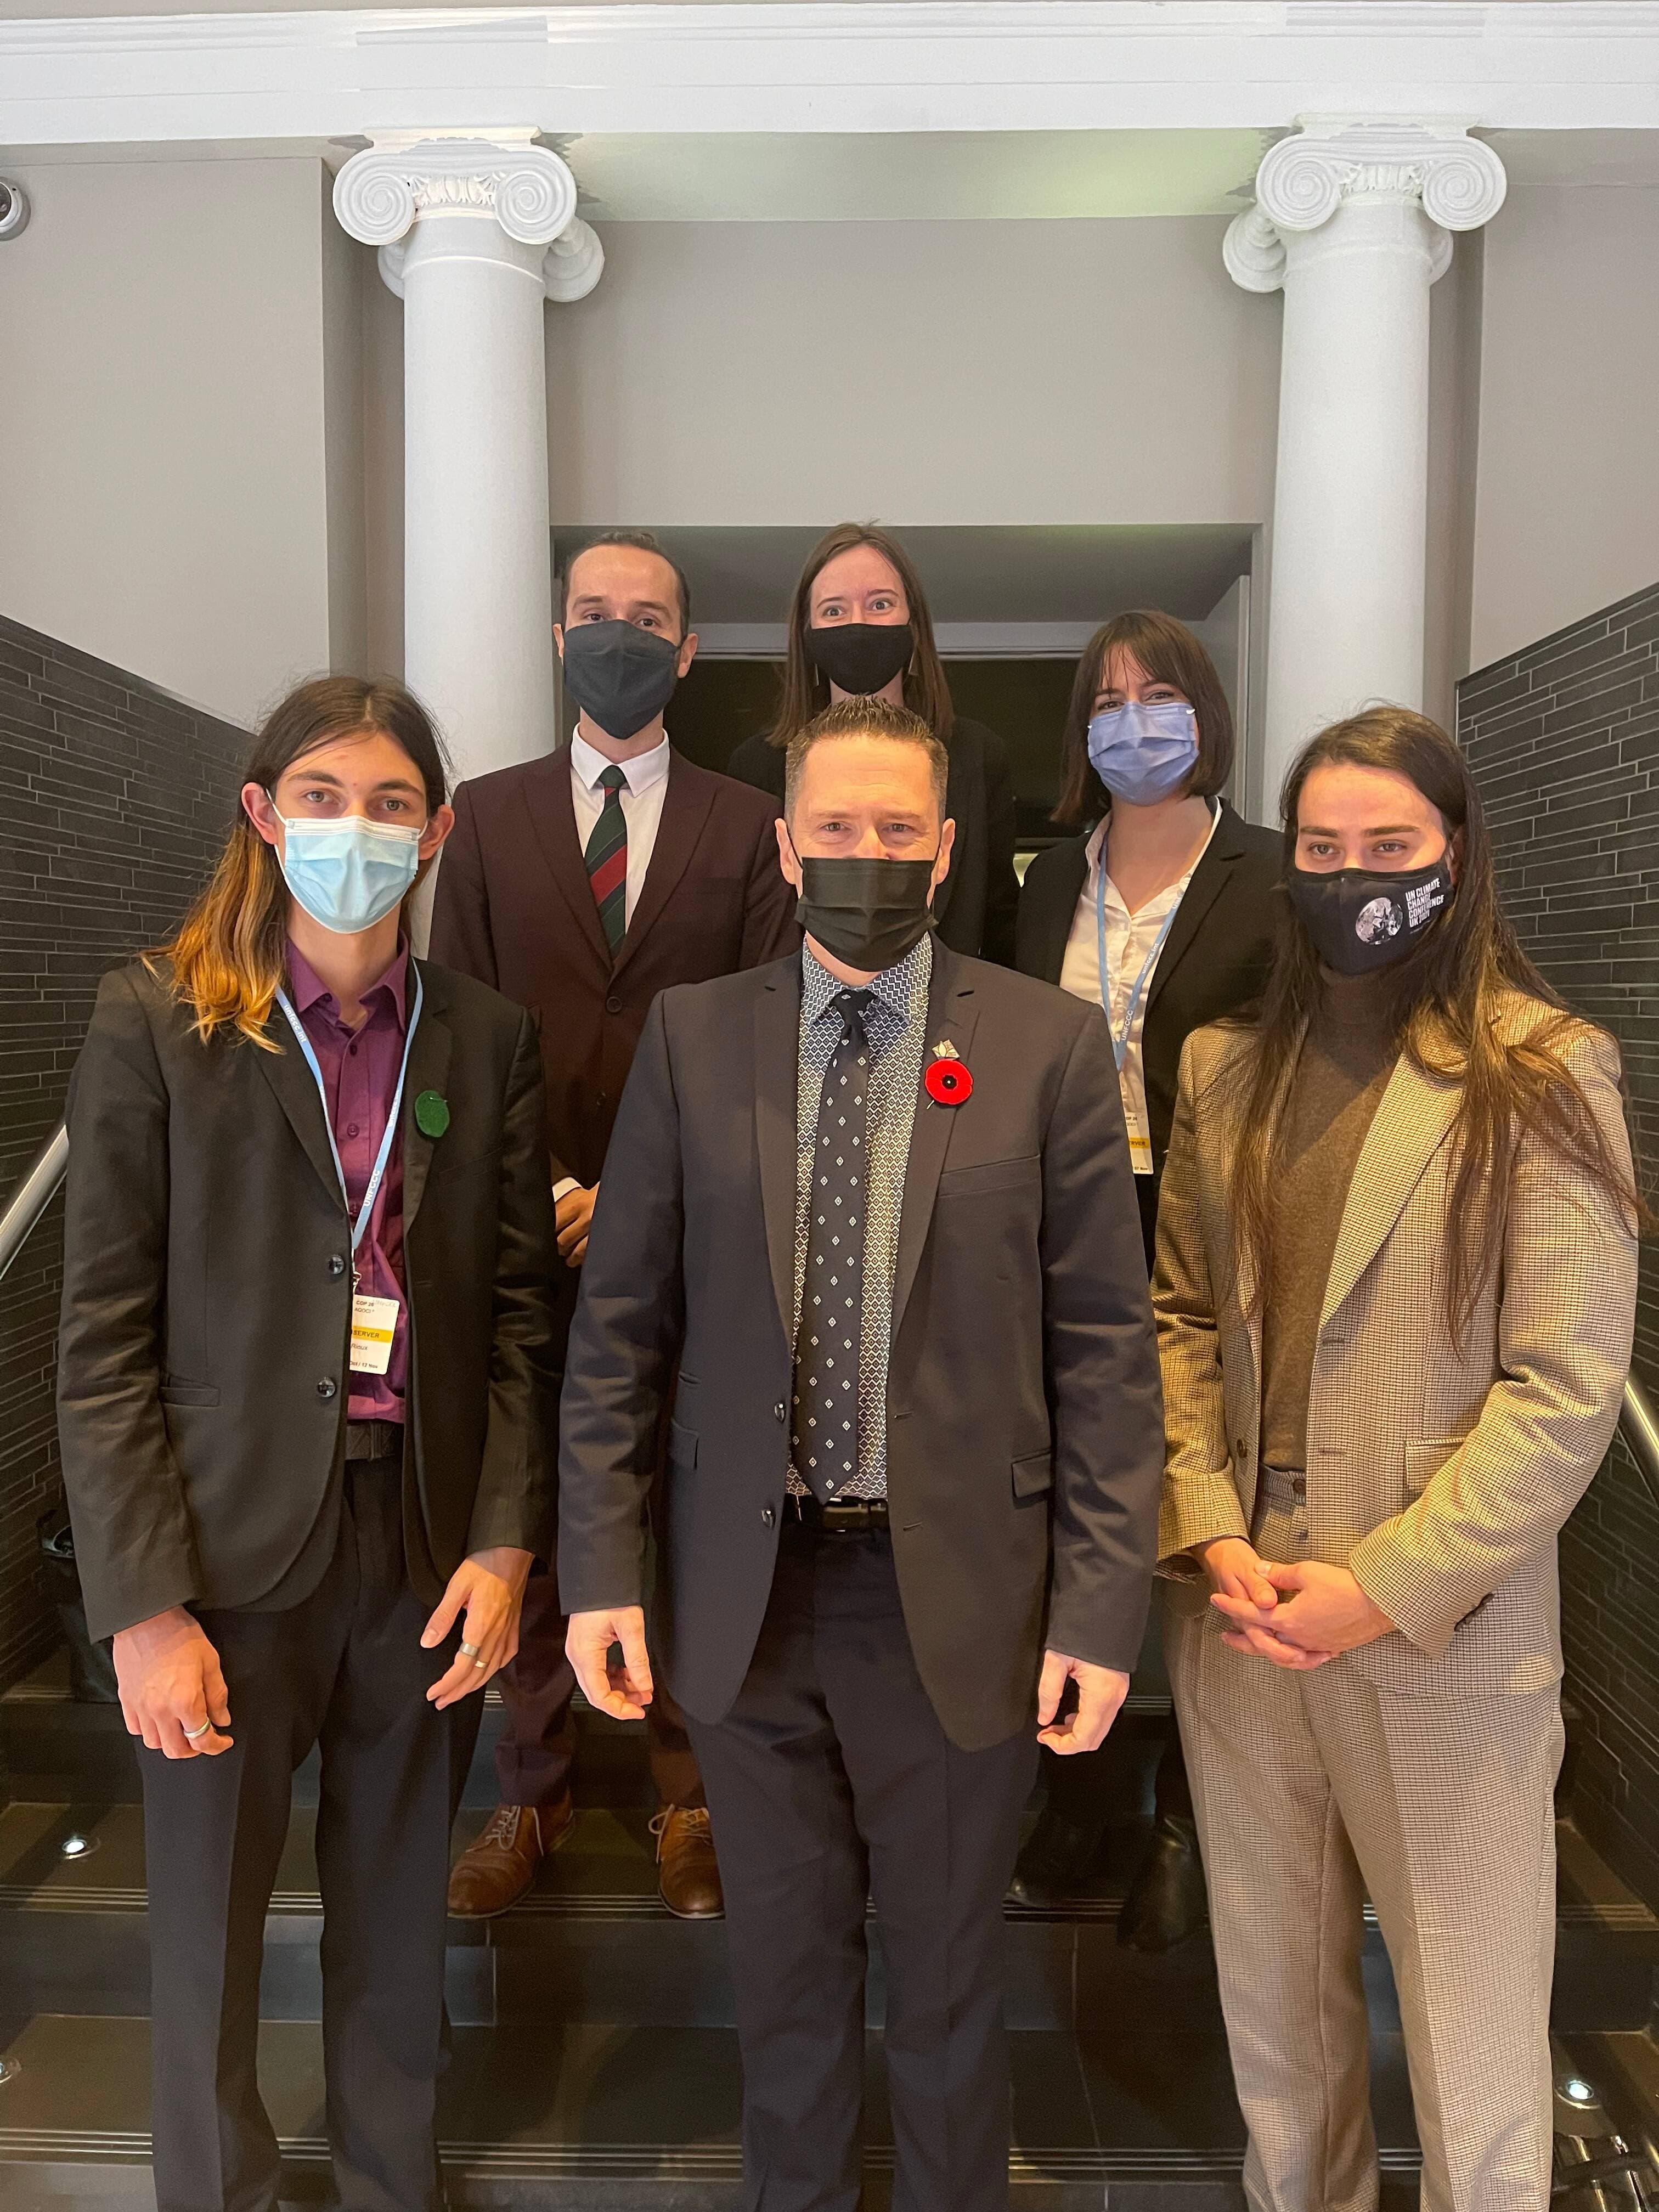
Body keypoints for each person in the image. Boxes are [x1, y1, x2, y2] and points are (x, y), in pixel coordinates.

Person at [557, 695, 1164, 2212]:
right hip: (745, 1599)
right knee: (784, 1990)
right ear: (784, 845)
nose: (867, 853)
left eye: (899, 829)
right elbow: (620, 1327)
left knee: (952, 1997)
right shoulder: (696, 1036)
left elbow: (1105, 1352)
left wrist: (1100, 1611)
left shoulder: (1046, 1046)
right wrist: (600, 1571)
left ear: (947, 849)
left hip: (955, 1598)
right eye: (836, 826)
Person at [56, 677, 560, 2212]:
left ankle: (389, 2185)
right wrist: (143, 1608)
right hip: (219, 1558)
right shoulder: (160, 1018)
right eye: (325, 797)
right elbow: (102, 1338)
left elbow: (521, 1315)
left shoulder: (488, 1038)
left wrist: (504, 1542)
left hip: (418, 1545)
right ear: (265, 816)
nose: (358, 829)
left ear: (438, 831)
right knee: (206, 1932)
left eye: (392, 802)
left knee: (399, 1925)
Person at [1156, 706, 1640, 2212]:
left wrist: (1377, 1588)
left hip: (1440, 1631)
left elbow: (1563, 1391)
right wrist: (1209, 1525)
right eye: (1321, 848)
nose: (1352, 876)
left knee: (1471, 2058)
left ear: (1456, 855)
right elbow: (1177, 1318)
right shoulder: (1223, 1068)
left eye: (1389, 846)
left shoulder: (1543, 1070)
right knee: (1281, 2047)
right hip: (1243, 1615)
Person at [431, 528, 799, 1921]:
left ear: (687, 651)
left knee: (687, 1510)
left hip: (694, 1241)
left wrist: (642, 1196)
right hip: (522, 1235)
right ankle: (529, 1791)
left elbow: (766, 1033)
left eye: (648, 618)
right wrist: (542, 1188)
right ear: (558, 635)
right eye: (594, 611)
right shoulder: (484, 817)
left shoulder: (747, 822)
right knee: (523, 1503)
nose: (618, 634)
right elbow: (456, 1029)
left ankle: (687, 1791)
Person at [1010, 611, 1280, 1943]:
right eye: (1108, 700)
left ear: (1204, 713)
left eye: (1158, 694)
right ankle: (1084, 1785)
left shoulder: (1270, 875)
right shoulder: (1044, 882)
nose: (1133, 721)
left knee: (1193, 1483)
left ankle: (1186, 1803)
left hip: (1209, 1224)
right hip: (1062, 1221)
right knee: (1072, 1494)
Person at [727, 521, 1019, 964]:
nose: (858, 624)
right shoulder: (757, 767)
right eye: (834, 610)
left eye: (880, 604)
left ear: (913, 624)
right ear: (807, 632)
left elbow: (999, 918)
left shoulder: (978, 757)